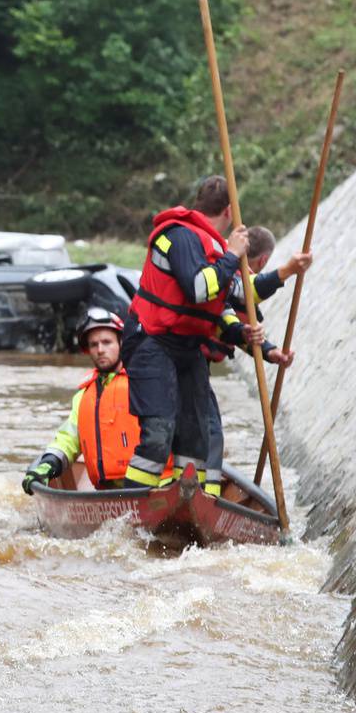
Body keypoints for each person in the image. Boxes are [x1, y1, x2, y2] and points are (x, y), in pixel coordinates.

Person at [121, 175, 291, 497]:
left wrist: (288, 271)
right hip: (152, 342)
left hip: (187, 347)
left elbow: (246, 292)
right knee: (159, 433)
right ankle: (128, 514)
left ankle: (187, 509)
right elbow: (199, 288)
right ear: (230, 212)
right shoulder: (180, 236)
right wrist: (231, 256)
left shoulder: (217, 249)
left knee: (197, 438)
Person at [21, 308, 173, 493]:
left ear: (121, 343)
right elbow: (68, 438)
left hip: (156, 488)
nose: (100, 350)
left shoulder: (145, 382)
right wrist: (49, 463)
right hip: (107, 492)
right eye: (94, 344)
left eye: (107, 342)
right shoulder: (84, 395)